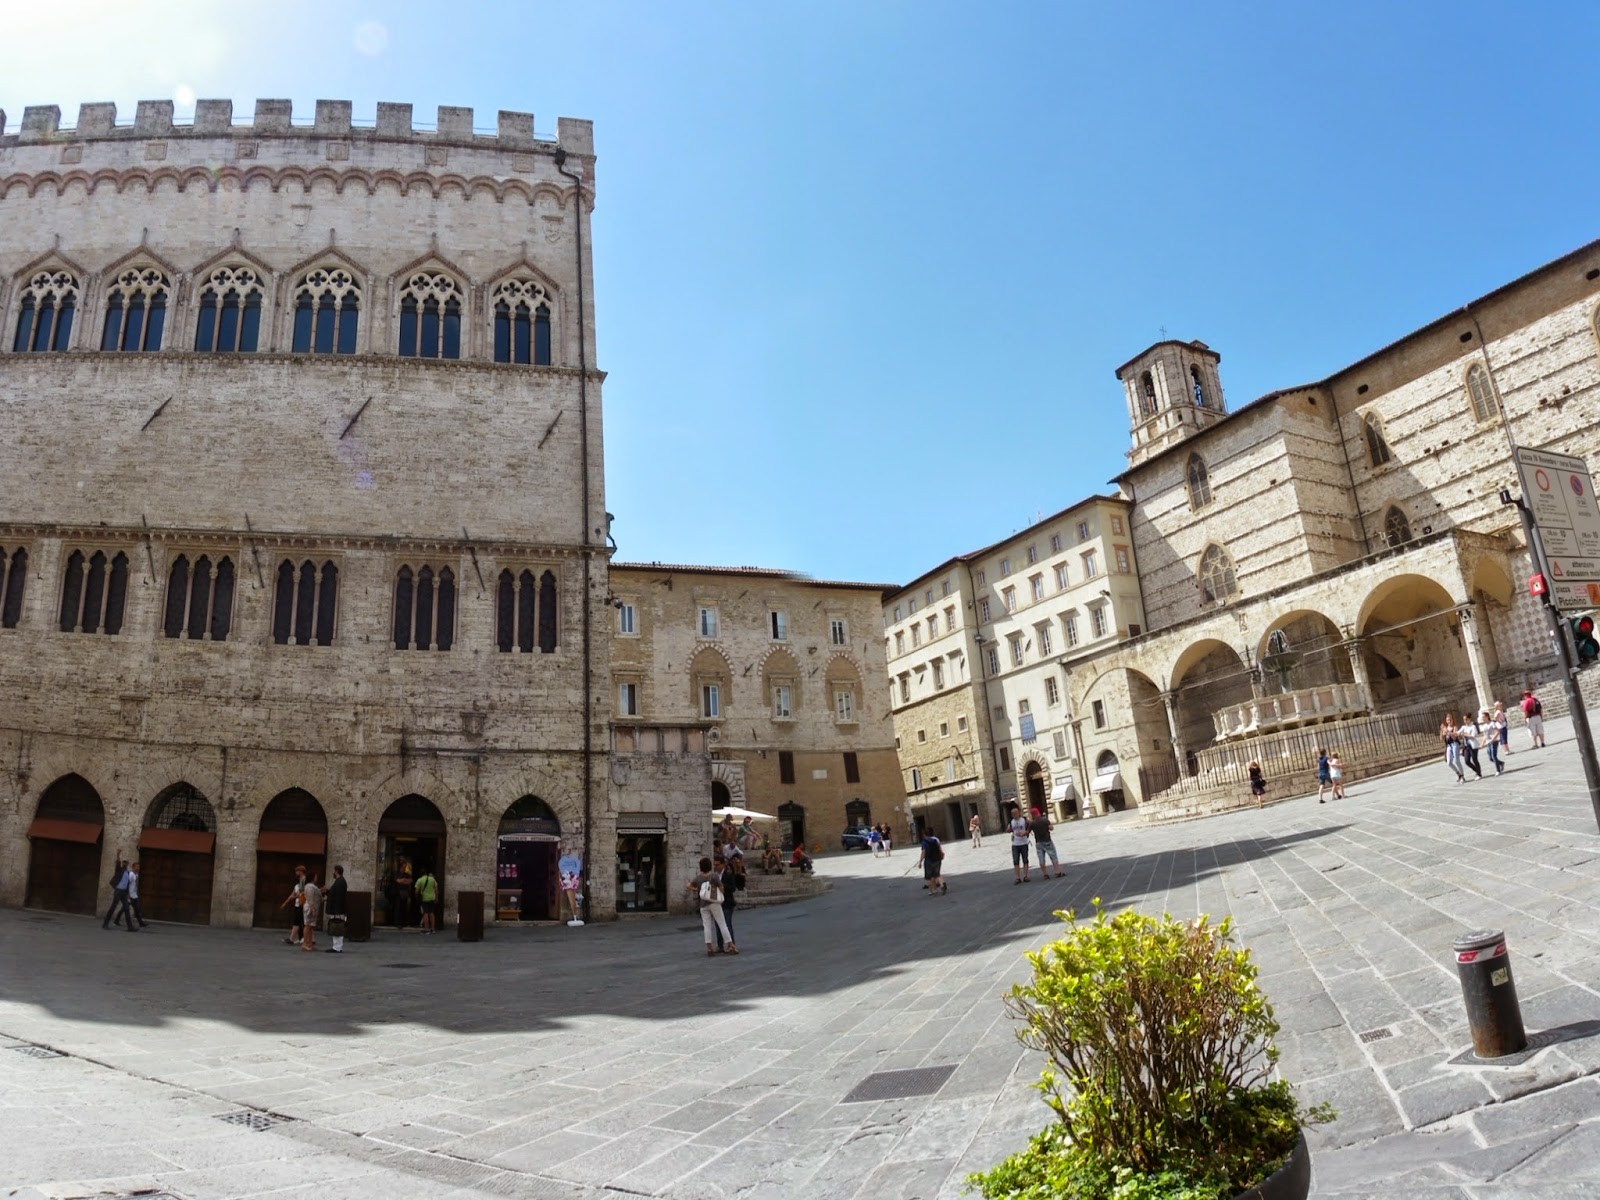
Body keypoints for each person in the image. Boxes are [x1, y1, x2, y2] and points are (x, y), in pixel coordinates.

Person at [689, 856, 734, 956]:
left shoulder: (699, 878)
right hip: (713, 902)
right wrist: (720, 898)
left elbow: (689, 885)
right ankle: (730, 945)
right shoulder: (714, 876)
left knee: (707, 926)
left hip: (703, 904)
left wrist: (697, 890)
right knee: (722, 924)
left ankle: (709, 948)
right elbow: (721, 887)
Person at [714, 853, 743, 953]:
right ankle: (720, 945)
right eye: (715, 864)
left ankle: (731, 945)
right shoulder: (714, 876)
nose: (716, 866)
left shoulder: (728, 874)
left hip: (727, 902)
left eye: (718, 864)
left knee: (727, 924)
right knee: (718, 925)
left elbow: (733, 888)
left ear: (723, 864)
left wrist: (722, 886)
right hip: (716, 903)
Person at [102, 848, 132, 930]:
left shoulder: (128, 873)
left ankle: (130, 927)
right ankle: (105, 924)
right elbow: (118, 863)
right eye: (124, 862)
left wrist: (128, 893)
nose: (125, 863)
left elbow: (127, 884)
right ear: (122, 863)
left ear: (127, 864)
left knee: (126, 908)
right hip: (118, 891)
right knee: (113, 907)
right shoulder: (119, 870)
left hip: (124, 893)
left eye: (126, 862)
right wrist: (118, 854)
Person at [1030, 807, 1061, 879]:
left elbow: (1027, 832)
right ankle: (1057, 872)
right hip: (1047, 841)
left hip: (1038, 843)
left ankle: (1045, 874)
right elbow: (1051, 828)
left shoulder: (1032, 823)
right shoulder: (1045, 820)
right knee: (1053, 856)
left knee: (1041, 859)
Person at [280, 865, 307, 945]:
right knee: (300, 922)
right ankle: (301, 938)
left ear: (301, 872)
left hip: (301, 904)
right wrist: (285, 903)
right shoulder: (298, 883)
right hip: (298, 904)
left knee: (297, 922)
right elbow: (293, 894)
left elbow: (302, 894)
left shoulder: (303, 880)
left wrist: (295, 897)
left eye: (297, 871)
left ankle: (292, 938)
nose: (296, 873)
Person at [324, 865, 348, 954]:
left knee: (337, 927)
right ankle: (336, 946)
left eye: (334, 871)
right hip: (337, 908)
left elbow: (338, 896)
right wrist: (328, 892)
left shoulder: (340, 882)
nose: (333, 873)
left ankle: (337, 947)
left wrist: (337, 910)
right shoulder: (339, 881)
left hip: (337, 909)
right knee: (336, 926)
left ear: (337, 871)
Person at [917, 829, 946, 895]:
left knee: (929, 877)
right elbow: (939, 848)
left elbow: (923, 852)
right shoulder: (935, 840)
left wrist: (920, 862)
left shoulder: (924, 842)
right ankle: (942, 885)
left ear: (925, 834)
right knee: (937, 874)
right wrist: (941, 855)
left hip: (929, 860)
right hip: (937, 859)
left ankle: (933, 890)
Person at [1008, 803, 1032, 883]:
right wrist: (1009, 830)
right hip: (1015, 844)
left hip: (1024, 843)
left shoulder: (1024, 820)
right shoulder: (1011, 822)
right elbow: (1008, 830)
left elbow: (1029, 829)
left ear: (1019, 813)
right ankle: (1017, 877)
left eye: (1016, 813)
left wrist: (1025, 833)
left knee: (1025, 860)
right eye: (1013, 814)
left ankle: (1026, 876)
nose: (1014, 815)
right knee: (1016, 861)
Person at [1458, 714, 1484, 779]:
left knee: (1475, 760)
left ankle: (1479, 774)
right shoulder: (1464, 727)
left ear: (1469, 719)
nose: (1465, 721)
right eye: (1464, 720)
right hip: (1466, 746)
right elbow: (1458, 732)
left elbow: (1473, 736)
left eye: (1466, 719)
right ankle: (1477, 770)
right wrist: (1449, 732)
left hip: (1473, 746)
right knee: (1467, 761)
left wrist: (1465, 734)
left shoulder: (1473, 727)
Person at [300, 874, 321, 952]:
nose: (316, 878)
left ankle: (309, 944)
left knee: (311, 926)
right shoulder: (310, 887)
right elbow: (310, 898)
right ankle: (305, 943)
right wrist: (312, 908)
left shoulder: (312, 886)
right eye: (315, 877)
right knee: (308, 925)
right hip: (310, 908)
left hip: (313, 907)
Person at [415, 867, 439, 933]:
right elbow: (436, 890)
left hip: (424, 898)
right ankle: (433, 928)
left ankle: (426, 928)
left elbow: (416, 891)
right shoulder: (432, 879)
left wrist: (417, 896)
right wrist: (436, 898)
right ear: (426, 873)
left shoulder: (420, 880)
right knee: (431, 913)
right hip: (432, 898)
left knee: (425, 913)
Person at [1441, 716, 1464, 782]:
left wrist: (1448, 732)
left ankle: (1462, 776)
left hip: (1455, 744)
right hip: (1449, 746)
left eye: (1450, 720)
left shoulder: (1454, 727)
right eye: (1448, 720)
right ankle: (1458, 773)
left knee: (1457, 760)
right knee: (1449, 762)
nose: (1449, 721)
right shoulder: (1445, 728)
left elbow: (1454, 737)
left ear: (1452, 720)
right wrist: (1442, 731)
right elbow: (1442, 738)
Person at [125, 861, 148, 929]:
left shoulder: (136, 874)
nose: (138, 868)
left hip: (134, 895)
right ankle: (116, 921)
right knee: (124, 909)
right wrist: (128, 895)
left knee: (137, 909)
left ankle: (141, 923)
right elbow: (127, 884)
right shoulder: (131, 875)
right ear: (133, 867)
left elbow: (135, 885)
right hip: (130, 895)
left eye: (139, 867)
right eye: (137, 867)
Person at [1482, 710, 1505, 776]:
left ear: (1487, 717)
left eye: (1483, 717)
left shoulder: (1492, 723)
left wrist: (1493, 739)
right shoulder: (1484, 726)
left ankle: (1498, 770)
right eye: (1482, 717)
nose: (1483, 718)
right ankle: (1501, 763)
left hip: (1494, 741)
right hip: (1488, 742)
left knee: (1494, 756)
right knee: (1490, 758)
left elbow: (1498, 731)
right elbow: (1485, 735)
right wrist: (1482, 743)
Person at [392, 861, 413, 929]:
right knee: (398, 908)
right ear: (400, 867)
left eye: (405, 867)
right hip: (398, 893)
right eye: (403, 867)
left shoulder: (407, 874)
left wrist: (403, 880)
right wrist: (404, 880)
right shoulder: (396, 873)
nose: (404, 868)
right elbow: (398, 881)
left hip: (405, 893)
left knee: (403, 908)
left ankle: (403, 923)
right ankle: (397, 923)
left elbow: (410, 881)